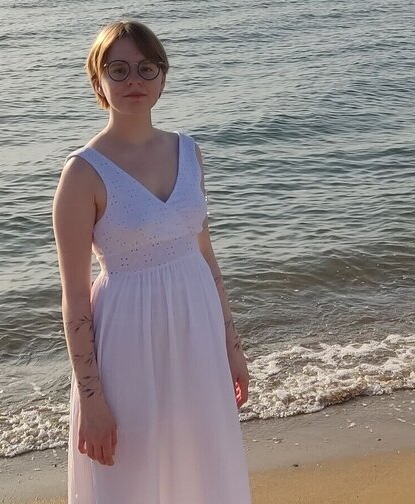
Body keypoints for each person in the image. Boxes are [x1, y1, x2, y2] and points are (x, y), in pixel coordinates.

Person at [52, 19, 252, 504]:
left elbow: (206, 256)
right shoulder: (82, 173)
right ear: (97, 81)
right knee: (131, 474)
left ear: (163, 76)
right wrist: (92, 401)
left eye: (146, 67)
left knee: (203, 465)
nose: (134, 80)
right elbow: (74, 299)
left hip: (197, 330)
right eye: (117, 70)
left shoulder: (188, 151)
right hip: (127, 340)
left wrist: (232, 347)